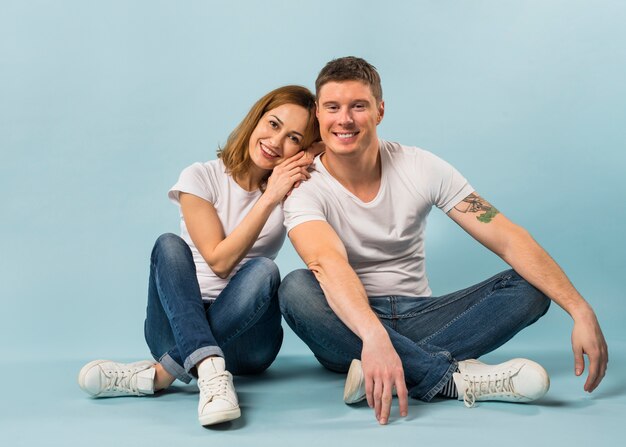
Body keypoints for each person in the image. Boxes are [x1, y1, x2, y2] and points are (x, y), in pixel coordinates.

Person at [278, 57, 608, 425]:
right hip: (347, 326)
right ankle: (449, 379)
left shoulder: (421, 166)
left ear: (380, 111)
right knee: (295, 288)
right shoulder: (302, 184)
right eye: (333, 107)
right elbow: (327, 262)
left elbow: (507, 236)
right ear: (318, 115)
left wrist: (580, 309)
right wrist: (372, 336)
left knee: (530, 288)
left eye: (359, 106)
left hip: (423, 316)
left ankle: (393, 367)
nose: (345, 119)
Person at [78, 85, 320, 426]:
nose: (276, 142)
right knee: (168, 245)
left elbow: (339, 153)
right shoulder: (201, 176)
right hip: (175, 329)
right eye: (274, 124)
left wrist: (305, 161)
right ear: (256, 119)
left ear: (304, 149)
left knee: (264, 270)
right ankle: (210, 371)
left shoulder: (293, 190)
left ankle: (161, 375)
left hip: (248, 344)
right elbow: (219, 262)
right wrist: (268, 200)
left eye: (294, 138)